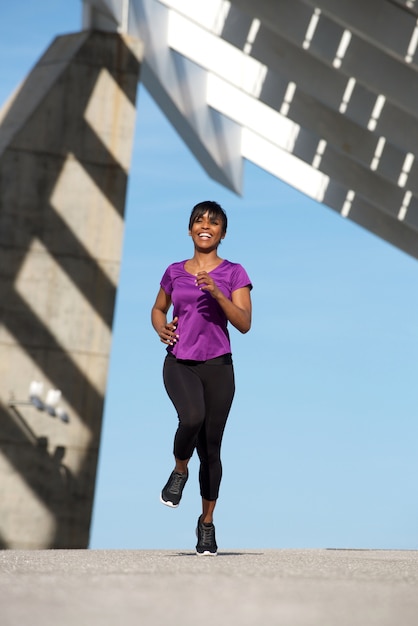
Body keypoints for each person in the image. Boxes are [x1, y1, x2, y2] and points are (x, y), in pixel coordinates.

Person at [151, 200, 252, 556]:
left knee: (211, 450)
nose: (205, 226)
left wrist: (218, 293)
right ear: (190, 229)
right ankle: (179, 470)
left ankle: (206, 524)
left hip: (219, 366)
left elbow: (243, 323)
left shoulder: (235, 273)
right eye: (198, 220)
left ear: (223, 232)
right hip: (179, 361)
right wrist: (161, 328)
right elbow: (159, 307)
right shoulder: (174, 271)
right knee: (191, 417)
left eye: (213, 222)